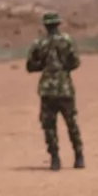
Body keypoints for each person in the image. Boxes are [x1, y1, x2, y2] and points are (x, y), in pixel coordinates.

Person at [25, 12, 84, 171]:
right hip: (64, 87)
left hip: (47, 89)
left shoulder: (39, 43)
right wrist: (63, 68)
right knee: (71, 123)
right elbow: (75, 62)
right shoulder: (67, 40)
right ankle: (78, 156)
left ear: (45, 25)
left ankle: (55, 159)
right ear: (58, 24)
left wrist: (45, 66)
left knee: (49, 126)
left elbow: (30, 65)